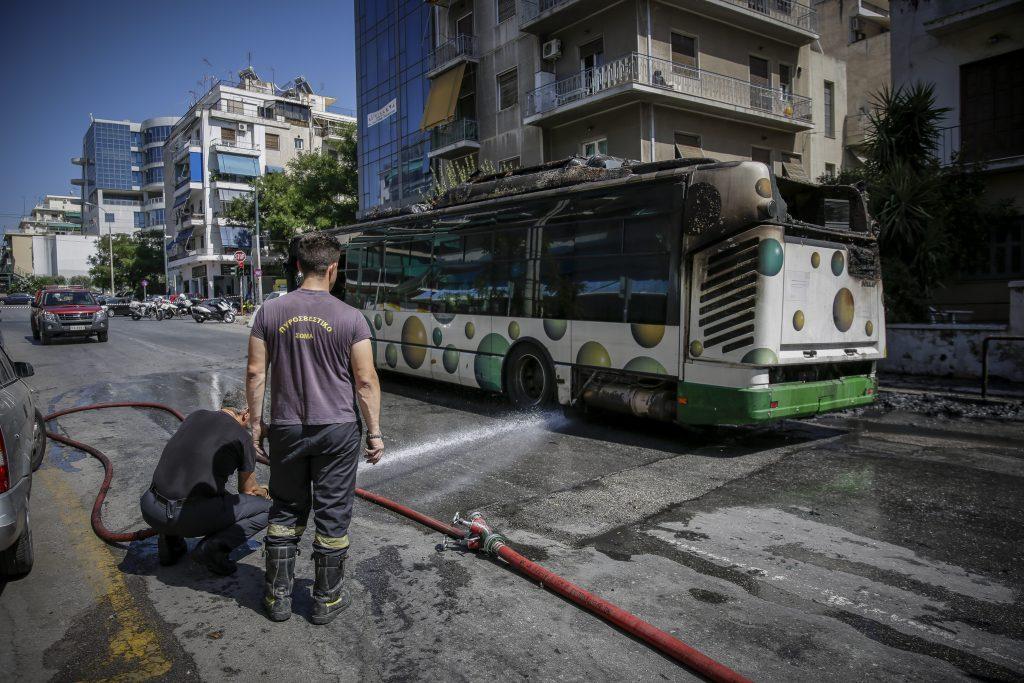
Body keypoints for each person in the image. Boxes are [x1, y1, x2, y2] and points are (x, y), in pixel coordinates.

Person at [247, 231, 383, 625]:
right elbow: (366, 380)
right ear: (334, 268)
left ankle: (277, 598)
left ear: (297, 266)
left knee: (285, 508)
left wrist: (255, 427)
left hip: (287, 429)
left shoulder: (269, 313)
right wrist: (374, 432)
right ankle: (326, 600)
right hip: (338, 430)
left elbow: (256, 372)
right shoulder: (350, 317)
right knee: (333, 512)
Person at [139, 395, 271, 575]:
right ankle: (213, 549)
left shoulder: (195, 416)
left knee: (189, 485)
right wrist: (265, 491)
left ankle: (170, 543)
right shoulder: (242, 437)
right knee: (267, 509)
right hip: (186, 517)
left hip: (150, 507)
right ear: (246, 413)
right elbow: (248, 491)